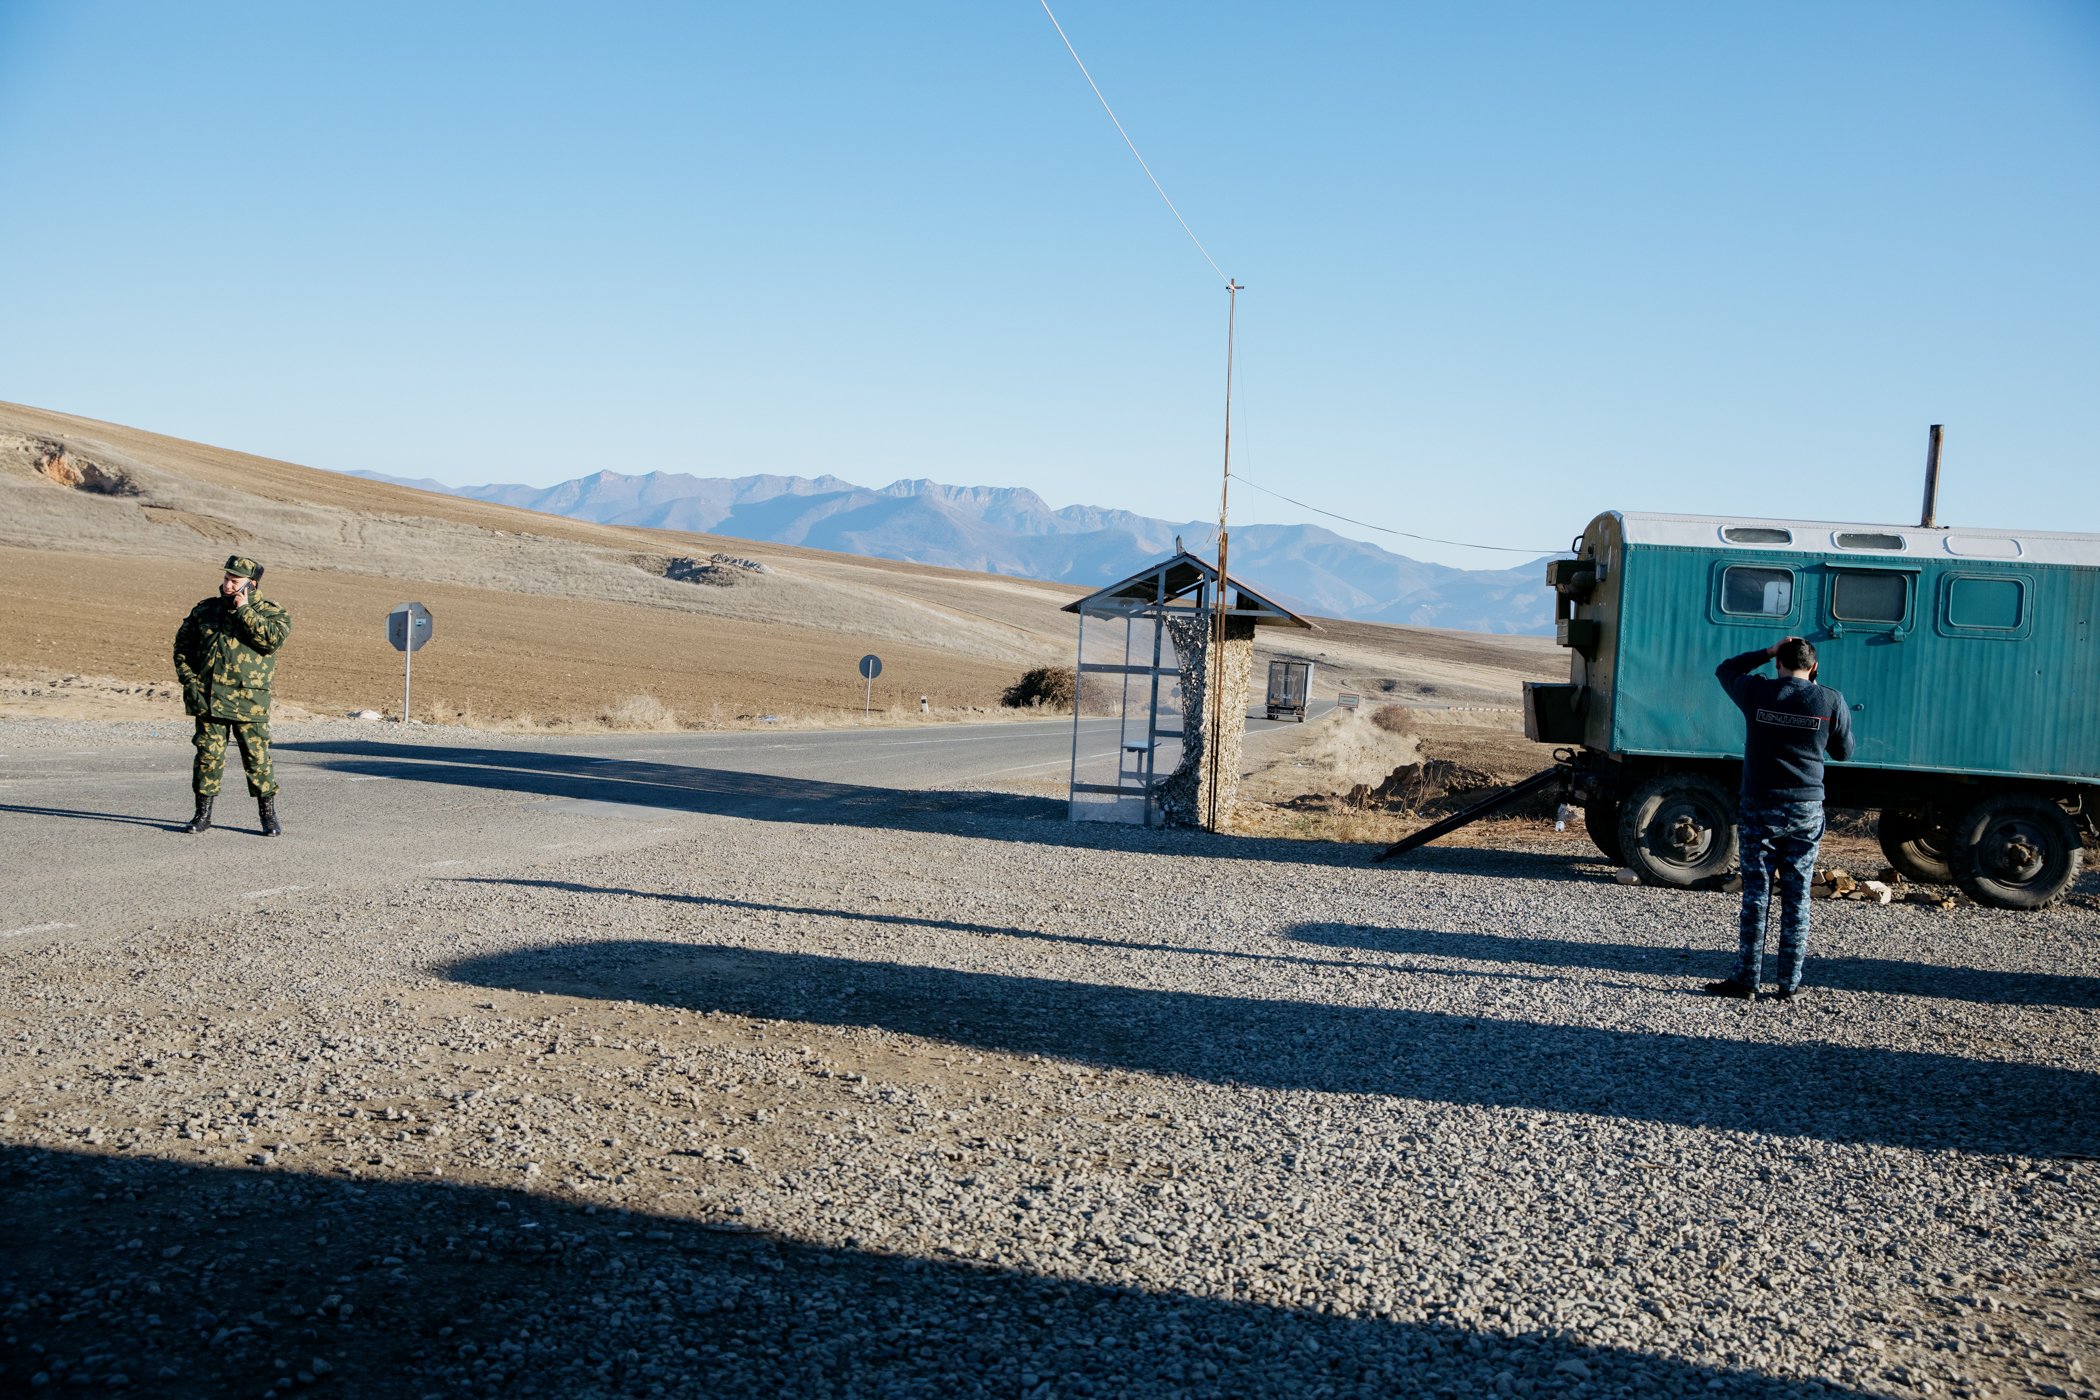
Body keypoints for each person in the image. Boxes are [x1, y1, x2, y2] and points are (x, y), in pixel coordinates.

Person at [1704, 636, 1854, 1001]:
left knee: (1756, 893)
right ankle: (1789, 984)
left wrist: (1767, 650)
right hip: (1805, 809)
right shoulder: (1830, 699)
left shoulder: (1757, 692)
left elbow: (1726, 669)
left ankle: (1747, 980)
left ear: (1777, 664)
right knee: (1798, 894)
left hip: (1760, 805)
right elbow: (1844, 752)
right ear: (1814, 667)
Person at [172, 555, 293, 835]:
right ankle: (202, 815)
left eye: (234, 581)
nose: (227, 585)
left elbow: (271, 641)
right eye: (226, 579)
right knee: (207, 757)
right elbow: (182, 648)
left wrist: (244, 611)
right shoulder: (206, 610)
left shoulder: (271, 613)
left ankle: (268, 816)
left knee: (257, 758)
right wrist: (191, 682)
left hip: (248, 703)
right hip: (209, 698)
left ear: (250, 585)